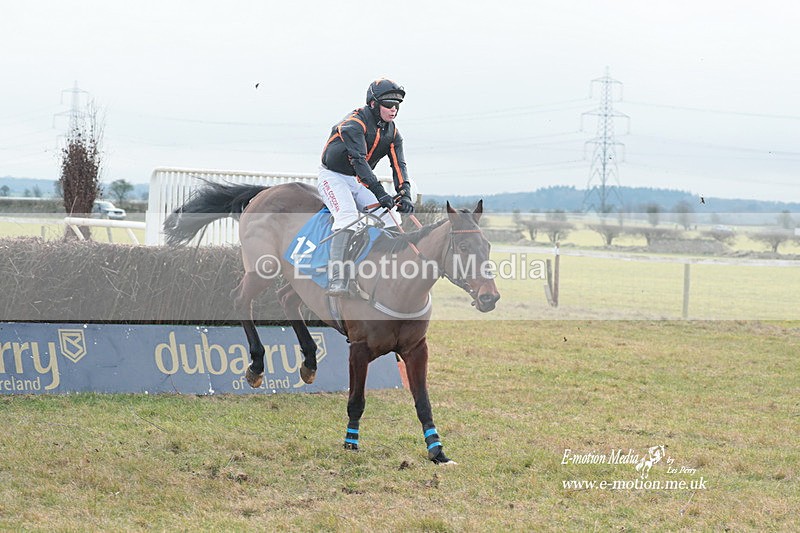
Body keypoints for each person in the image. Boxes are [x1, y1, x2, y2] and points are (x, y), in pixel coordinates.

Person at [318, 78, 416, 297]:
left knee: (392, 217)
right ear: (373, 104)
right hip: (332, 176)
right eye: (389, 105)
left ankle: (389, 270)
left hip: (357, 180)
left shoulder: (393, 133)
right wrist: (381, 193)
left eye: (397, 106)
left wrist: (405, 194)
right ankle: (337, 279)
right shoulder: (354, 124)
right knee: (346, 216)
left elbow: (399, 165)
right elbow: (360, 161)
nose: (393, 110)